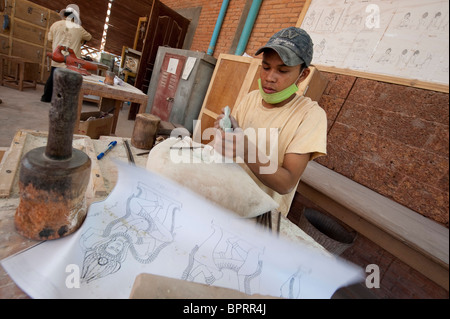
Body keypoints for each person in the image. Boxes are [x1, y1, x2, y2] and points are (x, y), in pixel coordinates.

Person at [213, 27, 327, 218]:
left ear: (303, 74)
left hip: (261, 215)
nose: (269, 77)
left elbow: (286, 183)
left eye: (282, 70)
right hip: (228, 197)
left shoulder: (310, 115)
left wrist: (246, 150)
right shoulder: (251, 98)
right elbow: (230, 153)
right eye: (266, 67)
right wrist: (227, 133)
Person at [41, 4, 92, 102]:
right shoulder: (79, 28)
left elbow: (50, 39)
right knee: (69, 81)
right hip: (71, 61)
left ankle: (46, 98)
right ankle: (64, 101)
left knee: (53, 77)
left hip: (57, 56)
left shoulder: (55, 25)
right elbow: (89, 37)